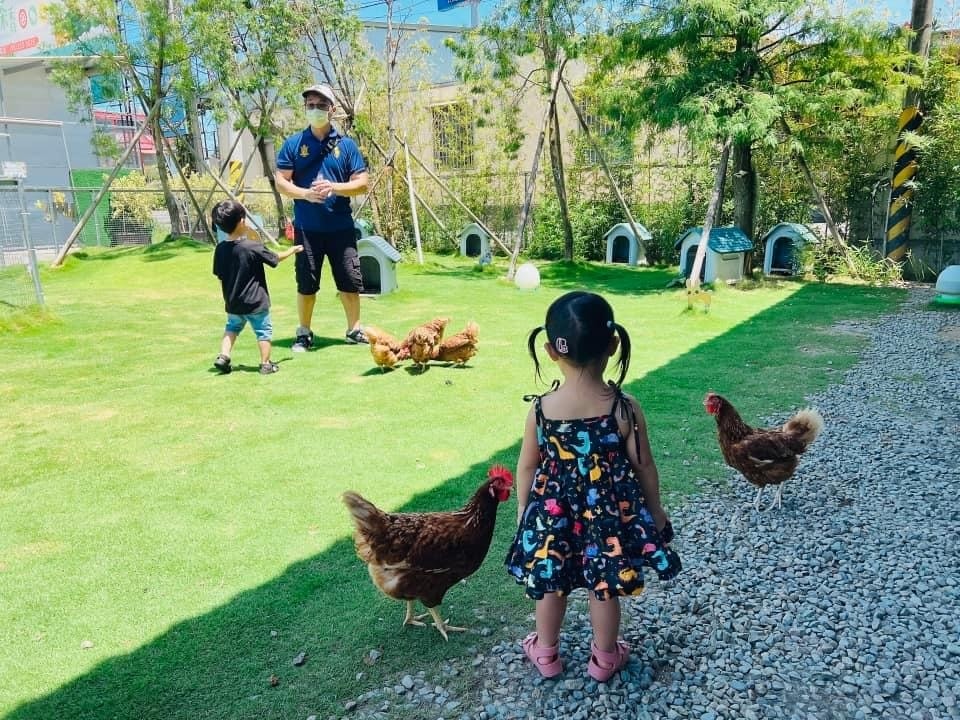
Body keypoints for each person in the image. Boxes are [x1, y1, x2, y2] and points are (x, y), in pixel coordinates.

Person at [505, 291, 681, 682]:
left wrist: (523, 510)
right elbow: (644, 465)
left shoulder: (541, 409)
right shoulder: (624, 407)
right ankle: (604, 659)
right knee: (604, 586)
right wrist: (655, 509)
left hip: (553, 516)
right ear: (614, 344)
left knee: (552, 582)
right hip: (608, 518)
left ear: (550, 350)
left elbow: (527, 466)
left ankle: (546, 653)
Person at [274, 83, 370, 351]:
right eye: (310, 105)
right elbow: (281, 182)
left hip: (341, 228)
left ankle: (354, 330)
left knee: (350, 281)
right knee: (306, 283)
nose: (315, 109)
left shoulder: (346, 146)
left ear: (332, 109)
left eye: (321, 105)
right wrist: (305, 194)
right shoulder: (294, 144)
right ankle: (304, 332)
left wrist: (334, 188)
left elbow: (363, 182)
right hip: (307, 229)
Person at [211, 199, 302, 375]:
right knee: (263, 332)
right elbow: (275, 258)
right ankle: (266, 364)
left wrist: (227, 298)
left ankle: (223, 356)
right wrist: (292, 250)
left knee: (232, 328)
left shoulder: (220, 249)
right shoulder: (252, 247)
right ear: (242, 221)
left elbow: (220, 277)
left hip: (233, 303)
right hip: (256, 303)